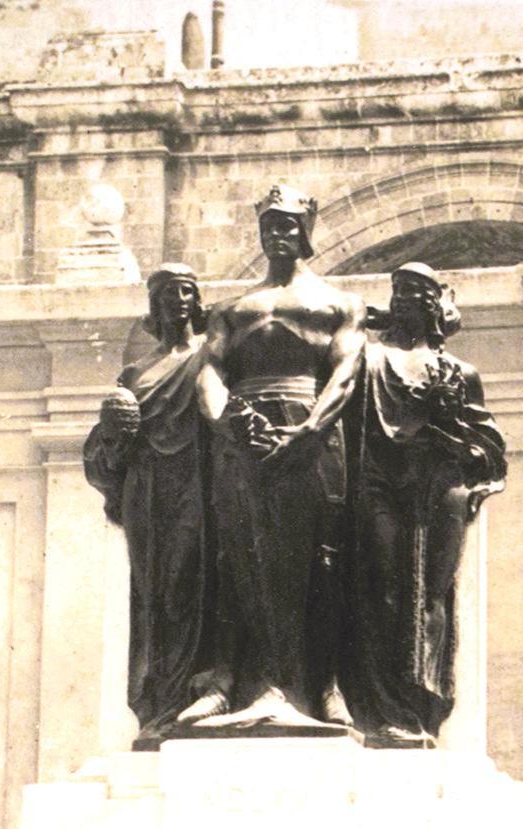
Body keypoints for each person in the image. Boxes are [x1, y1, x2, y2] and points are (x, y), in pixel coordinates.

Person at [179, 184, 366, 731]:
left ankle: (325, 687)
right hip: (245, 434)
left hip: (311, 435)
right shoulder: (233, 310)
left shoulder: (338, 304)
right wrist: (227, 423)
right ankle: (230, 684)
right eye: (268, 223)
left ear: (306, 230)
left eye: (287, 223)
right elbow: (209, 372)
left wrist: (309, 431)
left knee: (321, 561)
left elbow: (345, 371)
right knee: (238, 557)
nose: (277, 232)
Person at [349, 261, 506, 746]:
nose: (407, 301)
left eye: (418, 293)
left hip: (438, 488)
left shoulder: (459, 372)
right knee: (384, 589)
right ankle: (382, 709)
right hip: (379, 483)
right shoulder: (368, 361)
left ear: (437, 305)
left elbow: (487, 449)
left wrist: (446, 422)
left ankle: (422, 705)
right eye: (399, 292)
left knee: (432, 595)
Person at [83, 264, 214, 743]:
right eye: (167, 294)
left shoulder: (211, 357)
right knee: (153, 594)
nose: (178, 300)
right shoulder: (135, 373)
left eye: (186, 292)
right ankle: (160, 704)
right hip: (147, 490)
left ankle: (194, 694)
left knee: (189, 585)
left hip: (196, 486)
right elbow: (104, 454)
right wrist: (115, 434)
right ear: (155, 306)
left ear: (197, 302)